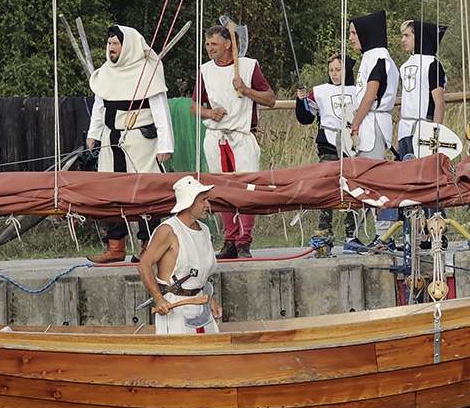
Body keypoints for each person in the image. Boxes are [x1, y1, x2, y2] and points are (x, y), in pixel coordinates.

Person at [86, 25, 174, 263]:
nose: (111, 48)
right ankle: (116, 246)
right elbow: (99, 106)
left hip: (139, 140)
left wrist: (165, 145)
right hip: (111, 139)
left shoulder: (147, 72)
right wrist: (92, 134)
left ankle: (148, 245)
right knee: (110, 193)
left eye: (116, 43)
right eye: (109, 44)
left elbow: (160, 109)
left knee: (146, 194)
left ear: (129, 46)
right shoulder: (106, 72)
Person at [191, 24, 276, 260]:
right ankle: (230, 239)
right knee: (220, 190)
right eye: (207, 44)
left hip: (241, 135)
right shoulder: (205, 71)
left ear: (228, 44)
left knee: (246, 189)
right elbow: (194, 106)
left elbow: (270, 99)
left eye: (214, 44)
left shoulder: (248, 67)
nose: (209, 49)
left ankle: (244, 241)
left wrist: (246, 89)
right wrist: (210, 113)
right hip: (216, 136)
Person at [137, 176, 224, 334]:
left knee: (209, 355)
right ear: (189, 202)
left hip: (201, 303)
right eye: (203, 200)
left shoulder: (204, 230)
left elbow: (201, 273)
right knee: (180, 357)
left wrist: (211, 300)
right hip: (175, 309)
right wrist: (158, 299)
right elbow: (144, 265)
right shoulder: (168, 230)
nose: (208, 205)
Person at [346, 10, 400, 252]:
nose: (351, 38)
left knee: (377, 182)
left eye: (354, 33)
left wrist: (355, 123)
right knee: (368, 181)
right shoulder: (371, 57)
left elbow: (369, 96)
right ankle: (379, 234)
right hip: (369, 121)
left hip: (371, 123)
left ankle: (384, 237)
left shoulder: (378, 59)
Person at [295, 53, 357, 239]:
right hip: (328, 143)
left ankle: (351, 233)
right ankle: (324, 229)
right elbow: (306, 117)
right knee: (327, 185)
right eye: (331, 70)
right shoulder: (320, 91)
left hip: (350, 144)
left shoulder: (357, 91)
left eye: (338, 70)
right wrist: (301, 100)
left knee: (350, 186)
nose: (334, 74)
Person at [397, 20, 448, 159]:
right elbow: (406, 99)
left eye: (407, 35)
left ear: (418, 36)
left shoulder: (432, 64)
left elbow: (439, 103)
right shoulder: (404, 66)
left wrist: (435, 135)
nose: (403, 40)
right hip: (404, 130)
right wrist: (399, 133)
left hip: (424, 128)